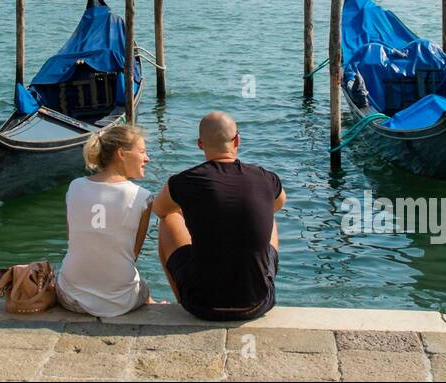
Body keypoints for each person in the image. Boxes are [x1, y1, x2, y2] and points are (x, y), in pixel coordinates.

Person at [151, 111, 285, 321]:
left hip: (201, 306)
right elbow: (279, 203)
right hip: (258, 303)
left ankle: (181, 298)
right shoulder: (266, 178)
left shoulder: (182, 181)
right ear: (237, 140)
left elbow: (159, 209)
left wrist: (193, 211)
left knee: (168, 218)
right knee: (269, 214)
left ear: (200, 144)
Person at [56, 124, 155, 317]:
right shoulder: (142, 197)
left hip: (71, 299)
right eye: (142, 151)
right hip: (121, 303)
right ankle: (152, 301)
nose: (147, 158)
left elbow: (73, 240)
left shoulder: (74, 187)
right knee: (142, 287)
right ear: (122, 154)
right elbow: (132, 254)